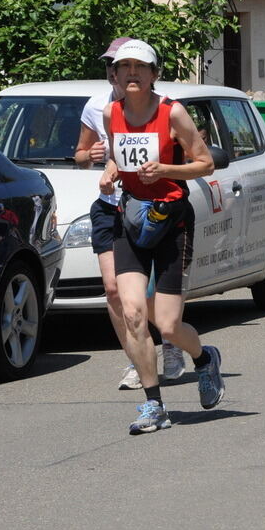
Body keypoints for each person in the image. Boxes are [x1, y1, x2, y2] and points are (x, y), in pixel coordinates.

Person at [98, 39, 223, 434]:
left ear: (154, 74)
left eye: (140, 67)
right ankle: (154, 406)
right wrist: (110, 170)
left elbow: (205, 164)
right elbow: (116, 155)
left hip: (172, 221)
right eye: (124, 67)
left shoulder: (173, 113)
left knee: (167, 326)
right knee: (133, 311)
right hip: (132, 218)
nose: (132, 73)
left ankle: (204, 359)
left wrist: (166, 169)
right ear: (115, 75)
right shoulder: (110, 113)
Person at [75, 38, 186, 389]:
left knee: (151, 299)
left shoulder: (166, 109)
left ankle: (170, 341)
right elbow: (83, 154)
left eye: (128, 65)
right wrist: (94, 159)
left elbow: (196, 156)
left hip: (158, 209)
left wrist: (158, 170)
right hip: (114, 208)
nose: (120, 71)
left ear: (151, 72)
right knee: (115, 291)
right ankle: (138, 361)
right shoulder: (99, 108)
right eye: (116, 64)